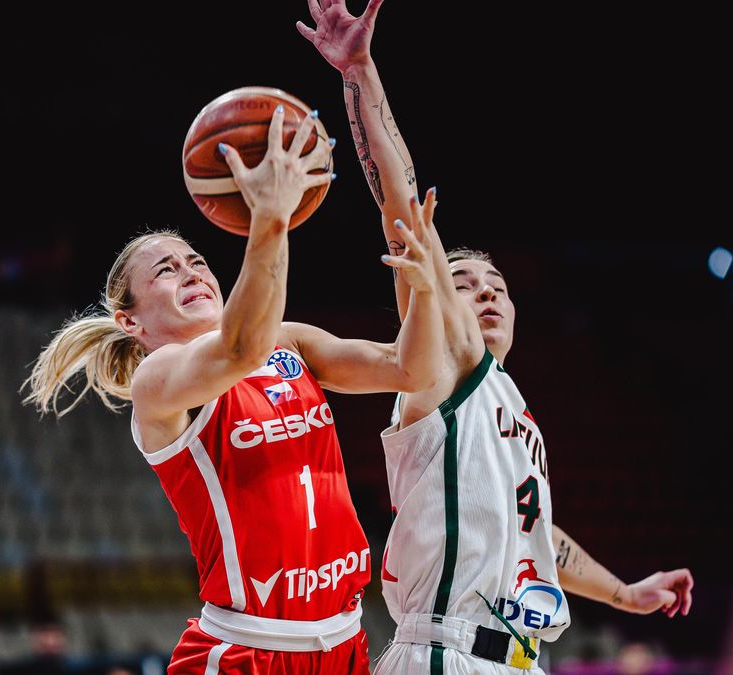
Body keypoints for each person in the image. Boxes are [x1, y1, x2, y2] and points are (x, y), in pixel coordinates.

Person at [299, 1, 694, 672]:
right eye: (463, 279)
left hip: (516, 658)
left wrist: (625, 592)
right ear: (431, 296)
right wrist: (359, 74)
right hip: (444, 651)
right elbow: (400, 202)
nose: (485, 289)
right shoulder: (443, 366)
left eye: (497, 282)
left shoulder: (509, 405)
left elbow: (534, 534)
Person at [23, 107, 444, 673]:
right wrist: (270, 216)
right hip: (247, 650)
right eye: (166, 271)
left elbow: (409, 371)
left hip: (345, 641)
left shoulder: (288, 344)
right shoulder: (159, 381)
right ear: (131, 322)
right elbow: (238, 349)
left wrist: (424, 292)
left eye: (196, 260)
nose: (191, 271)